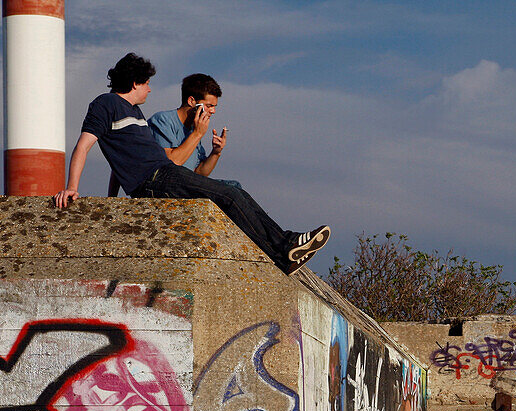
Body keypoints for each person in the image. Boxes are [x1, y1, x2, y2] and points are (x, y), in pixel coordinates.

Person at [54, 53, 328, 275]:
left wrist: (112, 199)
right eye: (147, 82)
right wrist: (71, 187)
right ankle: (285, 247)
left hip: (163, 174)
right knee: (229, 196)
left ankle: (286, 252)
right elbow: (84, 145)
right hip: (156, 179)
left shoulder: (134, 112)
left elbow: (119, 161)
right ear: (135, 82)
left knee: (235, 191)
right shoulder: (105, 104)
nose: (150, 88)